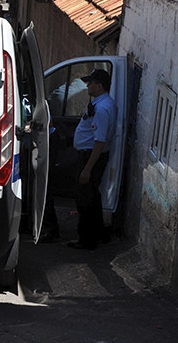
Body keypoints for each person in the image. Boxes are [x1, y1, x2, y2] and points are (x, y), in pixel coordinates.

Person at [67, 69, 117, 250]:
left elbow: (100, 141)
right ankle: (99, 234)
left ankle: (86, 239)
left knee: (85, 199)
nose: (88, 86)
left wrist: (87, 168)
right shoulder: (101, 104)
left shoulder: (103, 108)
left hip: (91, 156)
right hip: (89, 154)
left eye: (91, 83)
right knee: (93, 197)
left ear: (99, 86)